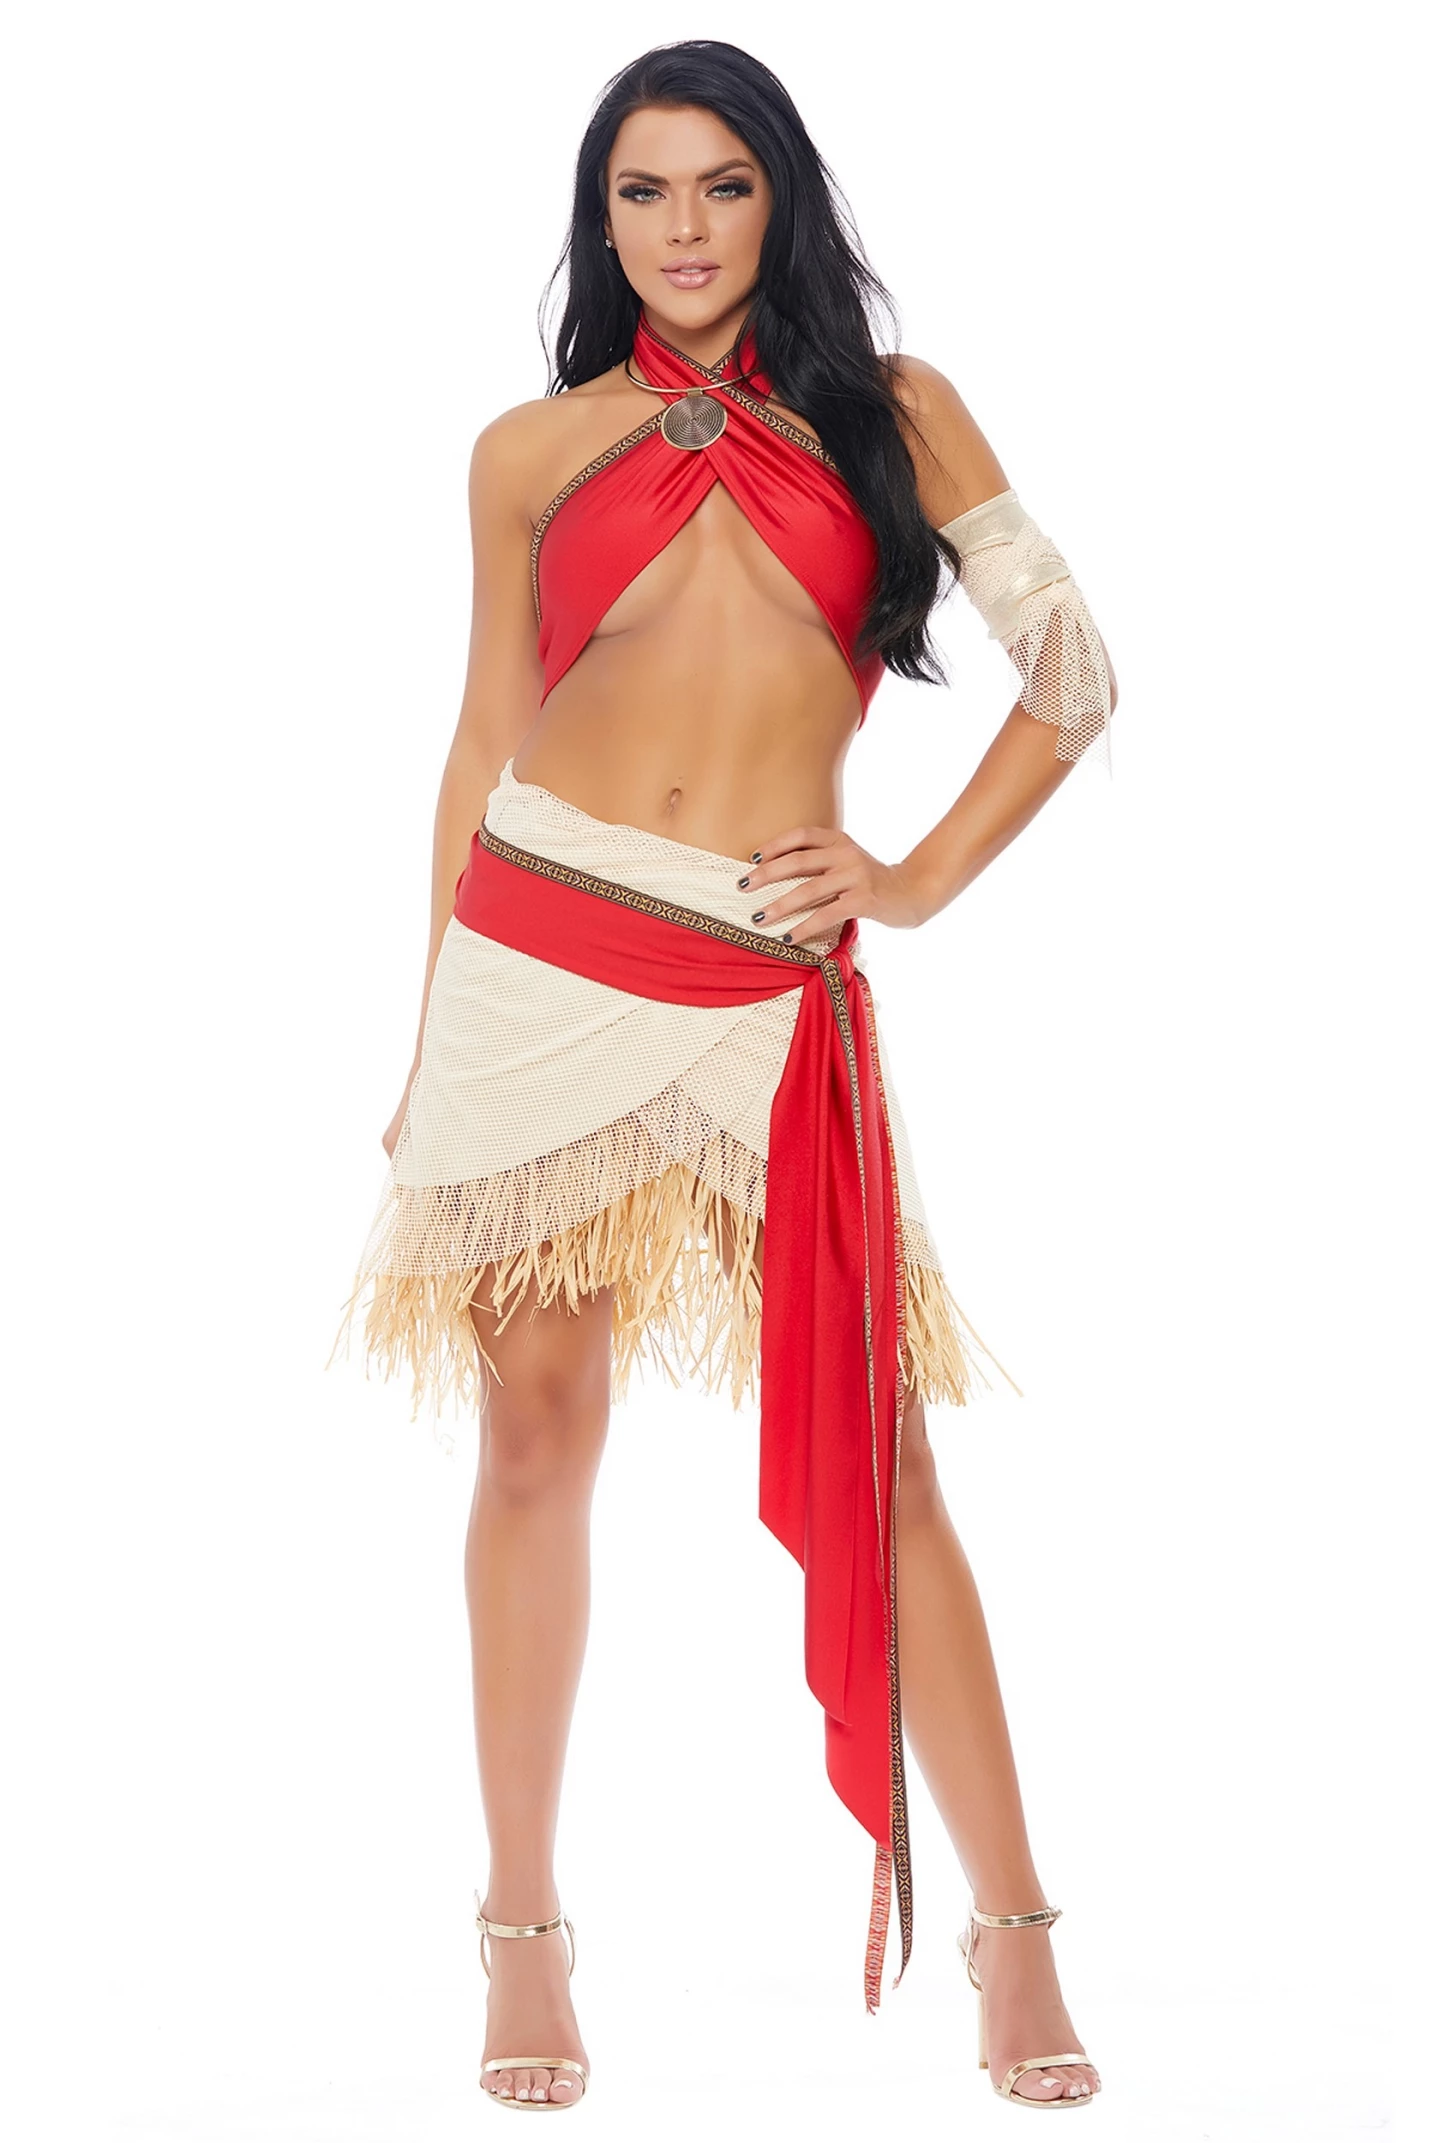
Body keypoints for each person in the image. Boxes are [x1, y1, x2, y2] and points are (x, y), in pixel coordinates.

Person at [339, 38, 1116, 2113]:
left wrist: (910, 880)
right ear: (599, 224)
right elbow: (478, 741)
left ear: (782, 198)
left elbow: (1076, 668)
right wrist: (426, 1031)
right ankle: (522, 1930)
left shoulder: (896, 413)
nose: (681, 229)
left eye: (722, 186)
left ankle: (1015, 1932)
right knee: (532, 1432)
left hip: (766, 978)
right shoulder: (525, 450)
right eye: (642, 193)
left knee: (884, 1454)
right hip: (537, 947)